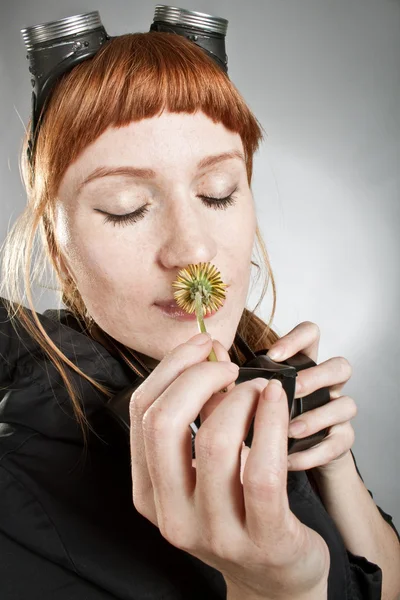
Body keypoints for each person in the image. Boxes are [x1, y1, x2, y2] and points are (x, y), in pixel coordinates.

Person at [0, 9, 399, 600]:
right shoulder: (16, 497)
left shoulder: (268, 382)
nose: (192, 251)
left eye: (218, 194)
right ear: (56, 244)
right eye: (126, 207)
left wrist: (333, 469)